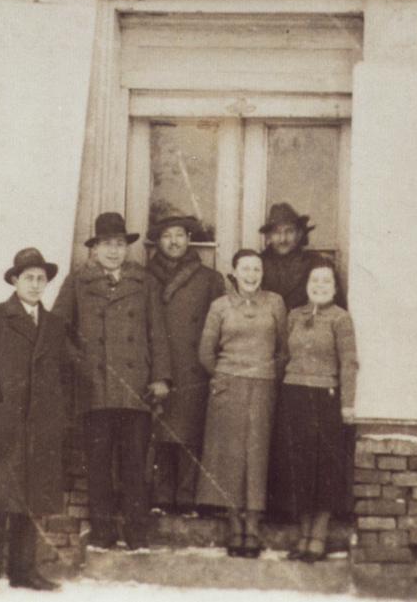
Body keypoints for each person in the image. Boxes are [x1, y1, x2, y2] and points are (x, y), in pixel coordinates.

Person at [0, 247, 81, 594]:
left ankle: (24, 573)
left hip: (42, 427)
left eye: (41, 279)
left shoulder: (54, 325)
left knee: (32, 499)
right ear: (15, 280)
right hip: (4, 424)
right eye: (29, 278)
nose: (36, 284)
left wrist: (58, 413)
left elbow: (66, 373)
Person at [51, 212, 171, 551]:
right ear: (95, 248)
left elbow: (157, 332)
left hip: (136, 387)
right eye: (107, 244)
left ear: (127, 247)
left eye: (119, 244)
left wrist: (161, 377)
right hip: (95, 387)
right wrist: (82, 364)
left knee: (135, 464)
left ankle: (137, 534)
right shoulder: (78, 281)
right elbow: (57, 330)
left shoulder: (144, 281)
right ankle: (102, 534)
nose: (114, 251)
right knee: (99, 465)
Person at [196, 249, 287, 558]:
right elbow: (205, 352)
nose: (251, 274)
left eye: (256, 269)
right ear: (234, 272)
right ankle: (235, 528)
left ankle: (254, 527)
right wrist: (224, 375)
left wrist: (265, 373)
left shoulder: (275, 302)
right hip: (227, 386)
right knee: (231, 458)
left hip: (263, 386)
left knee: (257, 456)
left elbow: (283, 349)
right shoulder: (220, 306)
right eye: (245, 269)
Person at [271, 257, 358, 563]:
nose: (320, 286)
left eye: (326, 281)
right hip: (294, 396)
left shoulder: (340, 319)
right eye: (314, 281)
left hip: (326, 399)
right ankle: (303, 536)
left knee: (323, 470)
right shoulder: (294, 316)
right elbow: (283, 356)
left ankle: (318, 538)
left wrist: (347, 404)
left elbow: (349, 363)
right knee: (299, 468)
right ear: (306, 286)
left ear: (335, 288)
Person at [145, 214, 226, 515]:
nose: (174, 242)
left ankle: (188, 496)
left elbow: (221, 328)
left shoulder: (209, 278)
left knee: (190, 434)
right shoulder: (145, 277)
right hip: (158, 365)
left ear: (189, 239)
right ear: (158, 241)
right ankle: (162, 496)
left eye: (180, 235)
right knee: (161, 432)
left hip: (194, 366)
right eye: (167, 236)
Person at [259, 202, 316, 311]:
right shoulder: (258, 264)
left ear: (299, 234)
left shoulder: (315, 263)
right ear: (269, 236)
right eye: (276, 232)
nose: (283, 239)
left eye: (289, 231)